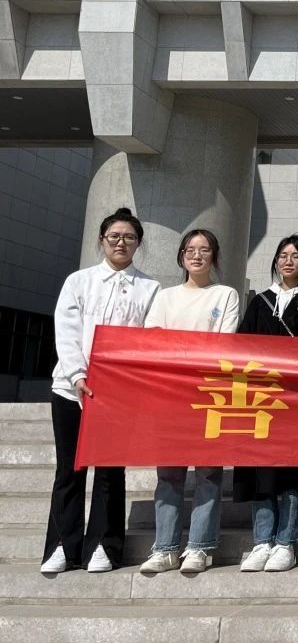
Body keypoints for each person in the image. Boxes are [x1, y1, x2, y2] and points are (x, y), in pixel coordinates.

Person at [41, 207, 161, 575]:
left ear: (138, 244)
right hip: (70, 390)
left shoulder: (150, 288)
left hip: (117, 396)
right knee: (70, 469)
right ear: (102, 240)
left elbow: (148, 340)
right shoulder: (78, 281)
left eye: (129, 237)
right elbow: (67, 331)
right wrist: (78, 375)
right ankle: (63, 546)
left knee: (110, 471)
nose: (121, 243)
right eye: (114, 236)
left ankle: (104, 547)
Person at [138, 228, 240, 576]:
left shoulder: (225, 294)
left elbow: (223, 344)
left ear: (214, 256)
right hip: (170, 396)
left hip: (210, 394)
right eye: (190, 249)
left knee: (209, 473)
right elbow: (154, 341)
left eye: (204, 249)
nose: (197, 255)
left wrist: (180, 349)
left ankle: (199, 546)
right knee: (169, 474)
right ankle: (165, 548)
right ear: (181, 256)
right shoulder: (165, 297)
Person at [234, 234, 298, 573]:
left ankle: (287, 542)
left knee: (292, 474)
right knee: (261, 472)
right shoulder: (261, 302)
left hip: (296, 403)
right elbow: (242, 346)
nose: (288, 261)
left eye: (296, 256)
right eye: (282, 255)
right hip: (262, 401)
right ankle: (262, 541)